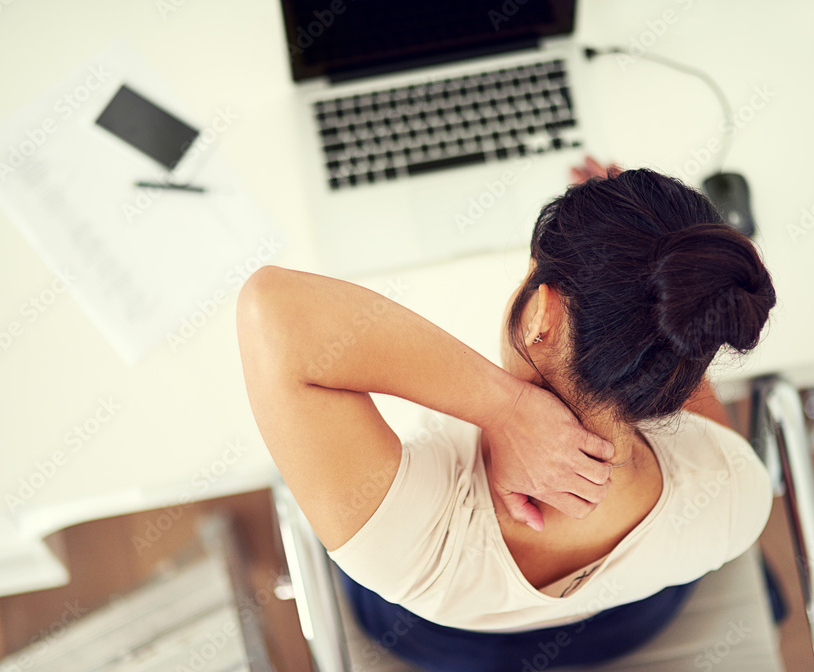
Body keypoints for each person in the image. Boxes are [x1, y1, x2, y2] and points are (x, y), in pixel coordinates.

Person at [235, 158, 777, 671]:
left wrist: (507, 407)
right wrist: (656, 292)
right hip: (629, 623)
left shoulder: (408, 539)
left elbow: (272, 309)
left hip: (440, 644)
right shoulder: (735, 495)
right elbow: (683, 368)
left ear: (542, 312)